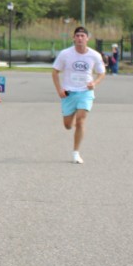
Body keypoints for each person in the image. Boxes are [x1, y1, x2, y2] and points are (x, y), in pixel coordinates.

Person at [51, 26, 106, 164]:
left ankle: (76, 153)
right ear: (74, 38)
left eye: (83, 36)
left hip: (85, 92)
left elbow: (102, 72)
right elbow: (55, 72)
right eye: (77, 36)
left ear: (87, 38)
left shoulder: (94, 55)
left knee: (80, 121)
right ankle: (73, 117)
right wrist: (59, 90)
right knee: (68, 125)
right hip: (69, 92)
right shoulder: (65, 54)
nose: (80, 38)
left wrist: (95, 83)